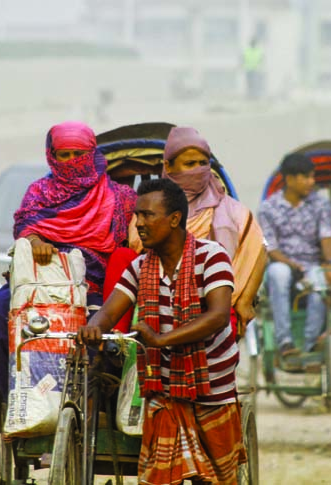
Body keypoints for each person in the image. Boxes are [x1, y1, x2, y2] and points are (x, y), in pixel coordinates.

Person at [79, 178, 246, 485]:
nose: (139, 223)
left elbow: (219, 316)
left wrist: (161, 340)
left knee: (217, 480)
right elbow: (110, 310)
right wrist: (93, 328)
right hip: (164, 391)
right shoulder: (140, 266)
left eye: (147, 215)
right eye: (137, 215)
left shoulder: (212, 256)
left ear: (174, 219)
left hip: (212, 390)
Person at [0, 121, 137, 400]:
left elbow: (133, 246)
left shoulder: (120, 197)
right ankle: (13, 397)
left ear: (91, 154)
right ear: (52, 156)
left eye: (78, 154)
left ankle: (92, 403)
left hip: (94, 285)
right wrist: (36, 241)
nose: (71, 162)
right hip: (41, 281)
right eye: (63, 155)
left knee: (100, 337)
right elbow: (25, 227)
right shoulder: (39, 191)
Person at [129, 126, 267, 337]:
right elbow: (137, 251)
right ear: (168, 166)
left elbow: (258, 251)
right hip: (158, 302)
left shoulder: (231, 210)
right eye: (190, 164)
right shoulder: (148, 211)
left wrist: (246, 302)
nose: (198, 169)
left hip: (218, 304)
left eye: (203, 163)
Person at [259, 153, 331, 365]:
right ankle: (285, 342)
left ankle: (310, 344)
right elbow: (270, 246)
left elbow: (326, 236)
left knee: (320, 280)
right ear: (290, 179)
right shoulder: (269, 208)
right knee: (278, 274)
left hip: (311, 265)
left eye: (312, 177)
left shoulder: (320, 205)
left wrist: (330, 264)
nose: (311, 182)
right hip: (282, 263)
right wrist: (289, 263)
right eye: (306, 177)